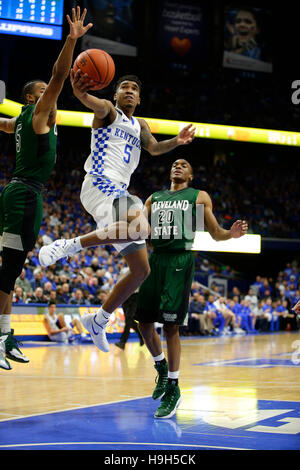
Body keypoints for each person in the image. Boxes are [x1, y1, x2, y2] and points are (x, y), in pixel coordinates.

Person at [39, 70, 196, 354]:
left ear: (139, 97)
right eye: (124, 87)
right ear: (115, 94)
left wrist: (178, 141)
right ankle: (69, 246)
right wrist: (80, 92)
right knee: (141, 225)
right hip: (99, 183)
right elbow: (91, 102)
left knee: (141, 269)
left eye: (134, 88)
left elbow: (155, 149)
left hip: (117, 192)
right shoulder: (109, 111)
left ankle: (98, 320)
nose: (129, 91)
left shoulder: (140, 125)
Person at [0, 7, 92, 370]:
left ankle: (5, 335)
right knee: (9, 271)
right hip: (24, 196)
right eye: (44, 93)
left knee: (10, 270)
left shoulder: (20, 120)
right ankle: (1, 336)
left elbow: (4, 126)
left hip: (19, 193)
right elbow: (57, 75)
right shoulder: (38, 114)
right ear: (33, 99)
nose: (52, 96)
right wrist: (71, 40)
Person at [135, 158, 248, 419]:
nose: (178, 165)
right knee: (144, 323)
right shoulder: (154, 198)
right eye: (175, 163)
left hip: (179, 259)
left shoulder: (197, 197)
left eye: (185, 164)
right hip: (154, 259)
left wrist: (230, 234)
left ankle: (173, 387)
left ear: (191, 175)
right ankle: (161, 367)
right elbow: (139, 230)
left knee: (171, 326)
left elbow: (216, 232)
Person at [114, 265, 144, 350]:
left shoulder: (140, 269)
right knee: (130, 321)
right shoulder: (124, 270)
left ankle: (122, 342)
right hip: (125, 296)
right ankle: (141, 336)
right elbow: (119, 283)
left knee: (128, 319)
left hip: (135, 296)